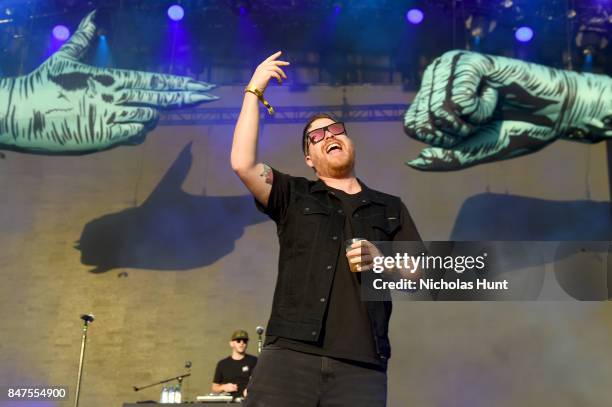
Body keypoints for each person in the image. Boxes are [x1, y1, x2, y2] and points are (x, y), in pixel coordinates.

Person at [230, 51, 422, 407]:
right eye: (316, 136)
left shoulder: (389, 206)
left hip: (361, 365)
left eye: (335, 130)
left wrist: (382, 261)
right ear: (309, 158)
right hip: (289, 356)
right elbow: (243, 164)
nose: (328, 135)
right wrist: (254, 90)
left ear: (349, 142)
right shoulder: (294, 194)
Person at [211, 330, 258, 399]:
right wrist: (224, 387)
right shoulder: (222, 364)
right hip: (228, 403)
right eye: (238, 341)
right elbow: (214, 388)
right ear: (231, 343)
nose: (242, 343)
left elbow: (262, 382)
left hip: (248, 401)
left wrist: (251, 390)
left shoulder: (254, 361)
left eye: (244, 341)